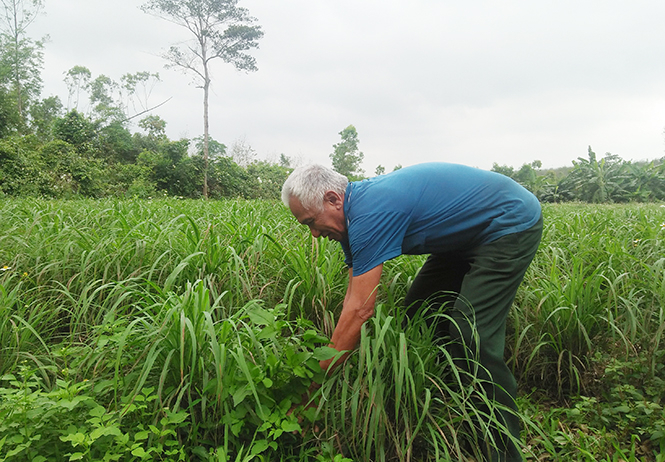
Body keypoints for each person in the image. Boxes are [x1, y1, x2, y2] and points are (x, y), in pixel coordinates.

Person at [281, 162, 542, 461]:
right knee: (419, 314)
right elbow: (354, 298)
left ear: (333, 199)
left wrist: (313, 390)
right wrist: (329, 361)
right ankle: (454, 408)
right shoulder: (351, 221)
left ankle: (503, 448)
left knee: (470, 332)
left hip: (508, 223)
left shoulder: (370, 213)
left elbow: (361, 311)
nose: (314, 234)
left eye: (312, 222)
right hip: (462, 238)